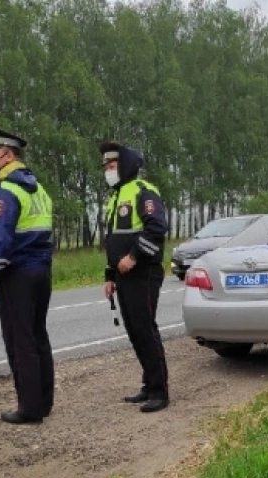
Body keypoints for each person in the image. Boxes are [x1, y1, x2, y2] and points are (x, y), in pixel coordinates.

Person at [0, 125, 56, 425]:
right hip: (40, 272)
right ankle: (44, 402)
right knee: (38, 337)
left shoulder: (5, 193)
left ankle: (29, 409)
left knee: (20, 342)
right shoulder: (38, 190)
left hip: (14, 275)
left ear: (8, 155)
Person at [99, 140, 170, 413]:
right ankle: (148, 384)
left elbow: (156, 228)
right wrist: (109, 275)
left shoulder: (143, 191)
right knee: (134, 332)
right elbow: (112, 241)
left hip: (144, 273)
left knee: (145, 329)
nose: (107, 170)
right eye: (105, 166)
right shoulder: (115, 197)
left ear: (126, 165)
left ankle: (159, 391)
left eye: (112, 165)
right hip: (123, 276)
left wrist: (133, 257)